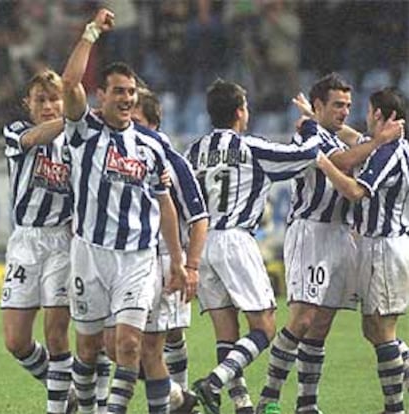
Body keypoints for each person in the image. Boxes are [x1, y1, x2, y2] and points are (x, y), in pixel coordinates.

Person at [61, 8, 188, 414]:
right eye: (118, 91)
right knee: (89, 346)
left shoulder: (151, 147)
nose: (127, 99)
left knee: (130, 344)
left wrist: (179, 261)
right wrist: (92, 32)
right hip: (89, 253)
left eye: (131, 93)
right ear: (103, 95)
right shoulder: (84, 131)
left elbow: (165, 204)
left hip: (136, 257)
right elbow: (68, 82)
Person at [256, 73, 403, 414]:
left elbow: (352, 145)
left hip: (342, 234)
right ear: (318, 106)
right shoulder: (309, 131)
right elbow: (343, 163)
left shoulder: (337, 135)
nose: (344, 112)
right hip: (312, 231)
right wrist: (378, 142)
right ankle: (268, 397)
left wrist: (373, 141)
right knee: (303, 318)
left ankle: (307, 405)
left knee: (322, 323)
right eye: (337, 105)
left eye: (349, 106)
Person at [186, 79, 325, 414]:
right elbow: (305, 156)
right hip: (235, 240)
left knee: (226, 333)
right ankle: (214, 382)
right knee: (264, 327)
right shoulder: (250, 148)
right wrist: (310, 126)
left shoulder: (193, 151)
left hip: (201, 242)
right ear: (239, 112)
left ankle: (242, 405)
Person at [315, 87, 407, 414]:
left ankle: (394, 408)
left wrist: (326, 165)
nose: (364, 117)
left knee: (382, 331)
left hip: (383, 246)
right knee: (373, 328)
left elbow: (356, 191)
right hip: (382, 244)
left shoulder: (387, 152)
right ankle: (401, 375)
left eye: (368, 111)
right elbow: (357, 137)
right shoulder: (398, 147)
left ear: (379, 115)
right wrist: (321, 119)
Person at [1, 69, 75, 414]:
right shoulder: (17, 132)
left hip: (62, 242)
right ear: (27, 104)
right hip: (25, 241)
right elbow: (34, 140)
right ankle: (68, 388)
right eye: (41, 100)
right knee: (16, 341)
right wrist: (76, 116)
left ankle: (58, 407)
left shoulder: (80, 143)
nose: (48, 105)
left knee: (57, 331)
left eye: (55, 98)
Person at [130, 87, 209, 413]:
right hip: (132, 259)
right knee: (120, 343)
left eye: (137, 121)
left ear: (154, 124)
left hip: (165, 260)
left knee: (149, 345)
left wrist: (190, 266)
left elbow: (199, 217)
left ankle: (178, 397)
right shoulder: (122, 159)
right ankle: (178, 396)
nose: (129, 128)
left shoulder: (172, 162)